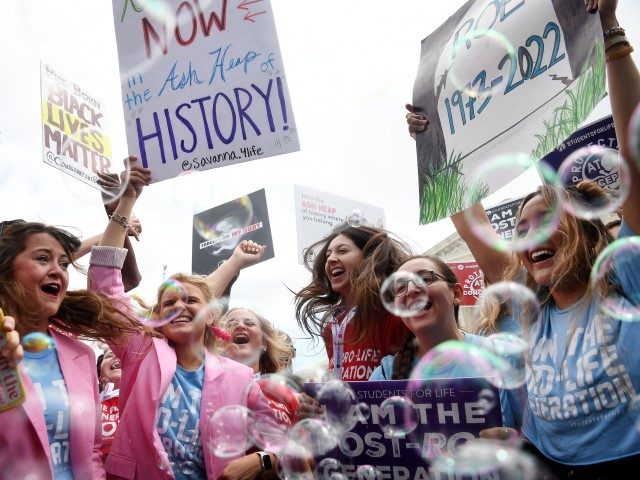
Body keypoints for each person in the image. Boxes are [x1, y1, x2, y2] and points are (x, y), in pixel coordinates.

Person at [406, 1, 640, 475]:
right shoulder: (528, 310)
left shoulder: (626, 277)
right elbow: (468, 220)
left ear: (586, 232)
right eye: (520, 229)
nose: (530, 238)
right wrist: (432, 146)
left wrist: (611, 32)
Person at [88, 157, 280, 479]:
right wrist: (127, 200)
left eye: (190, 301)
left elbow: (282, 442)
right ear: (158, 318)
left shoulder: (240, 377)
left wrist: (260, 460)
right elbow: (104, 285)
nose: (179, 306)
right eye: (169, 303)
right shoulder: (139, 350)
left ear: (210, 318)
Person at [0, 219, 139, 480]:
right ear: (7, 270)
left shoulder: (82, 355)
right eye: (43, 258)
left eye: (64, 264)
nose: (58, 271)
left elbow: (93, 451)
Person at [369, 255, 523, 434]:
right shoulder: (384, 376)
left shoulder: (502, 355)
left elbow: (535, 438)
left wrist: (516, 443)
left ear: (456, 294)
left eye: (425, 279)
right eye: (400, 287)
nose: (410, 290)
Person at [295, 224, 412, 382]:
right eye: (328, 255)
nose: (330, 259)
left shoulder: (395, 314)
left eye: (342, 250)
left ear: (369, 257)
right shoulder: (332, 328)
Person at [222, 307, 299, 427]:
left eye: (250, 323)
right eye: (231, 324)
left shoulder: (288, 398)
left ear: (264, 342)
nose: (240, 326)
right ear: (219, 341)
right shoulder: (203, 386)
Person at [96, 346, 121, 463]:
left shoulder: (145, 399)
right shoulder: (87, 401)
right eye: (109, 356)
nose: (116, 357)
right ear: (98, 374)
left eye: (122, 356)